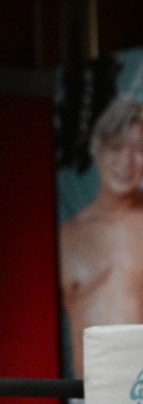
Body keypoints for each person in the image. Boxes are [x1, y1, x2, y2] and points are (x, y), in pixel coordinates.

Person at [59, 95, 143, 378]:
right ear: (97, 149)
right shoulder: (69, 236)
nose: (126, 161)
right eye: (116, 147)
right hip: (86, 390)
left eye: (139, 149)